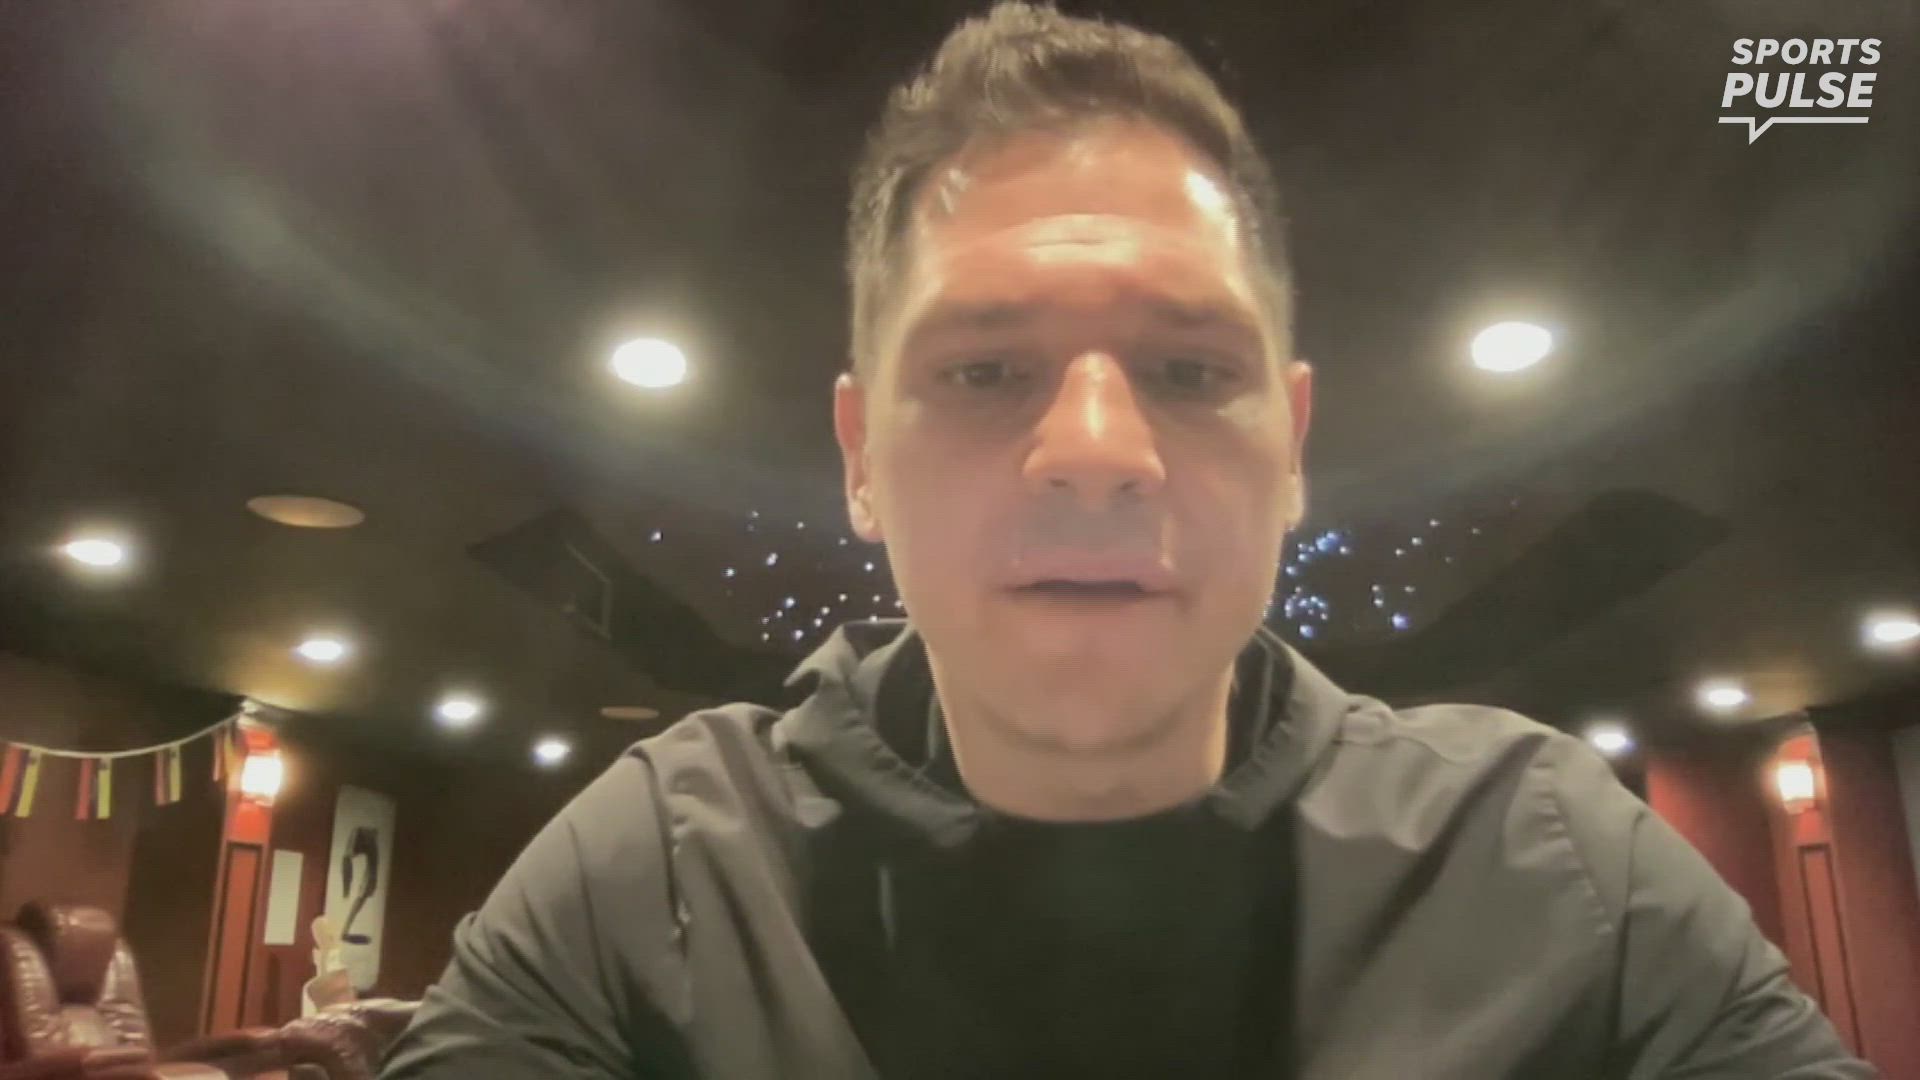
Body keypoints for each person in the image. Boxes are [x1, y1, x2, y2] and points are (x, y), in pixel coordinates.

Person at [381, 4, 1875, 1077]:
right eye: (983, 369)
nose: (1096, 451)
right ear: (860, 459)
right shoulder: (657, 870)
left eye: (1190, 370)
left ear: (1293, 448)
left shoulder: (1555, 858)